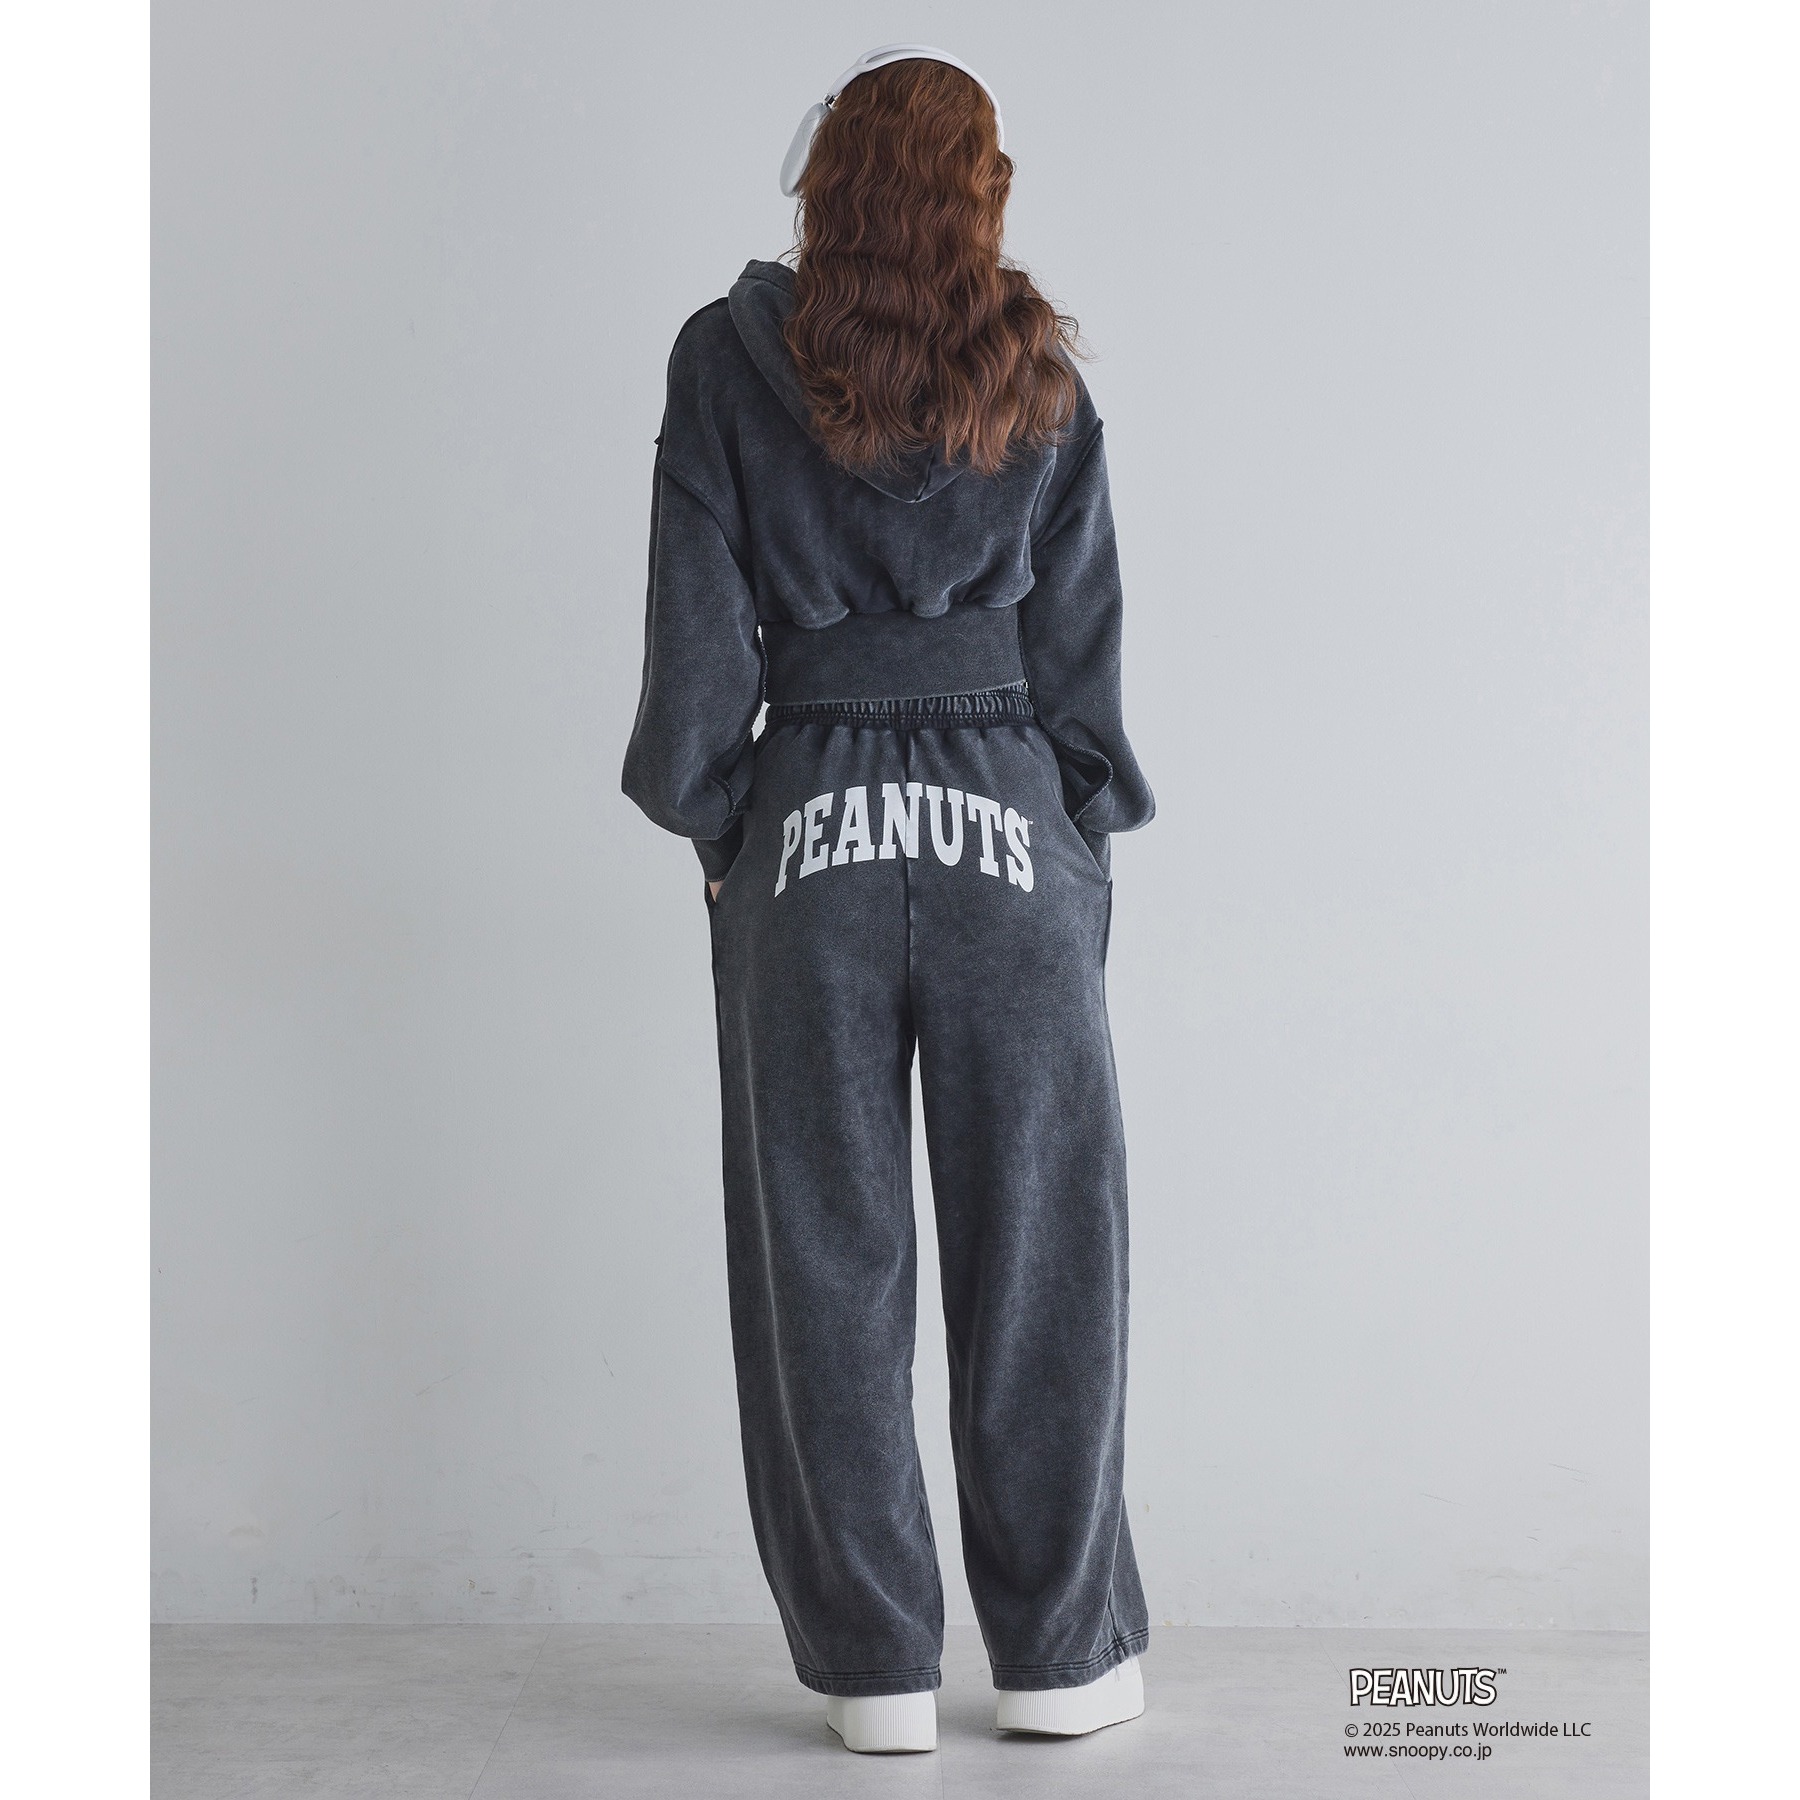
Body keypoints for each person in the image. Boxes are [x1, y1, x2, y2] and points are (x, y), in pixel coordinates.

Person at [622, 44, 1155, 1755]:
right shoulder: (1037, 373)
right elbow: (1081, 655)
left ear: (823, 179)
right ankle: (1063, 1661)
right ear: (982, 193)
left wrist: (724, 822)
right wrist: (1072, 830)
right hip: (1009, 823)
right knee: (1045, 1258)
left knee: (823, 1264)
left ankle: (876, 1673)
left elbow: (694, 645)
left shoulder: (725, 364)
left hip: (809, 836)